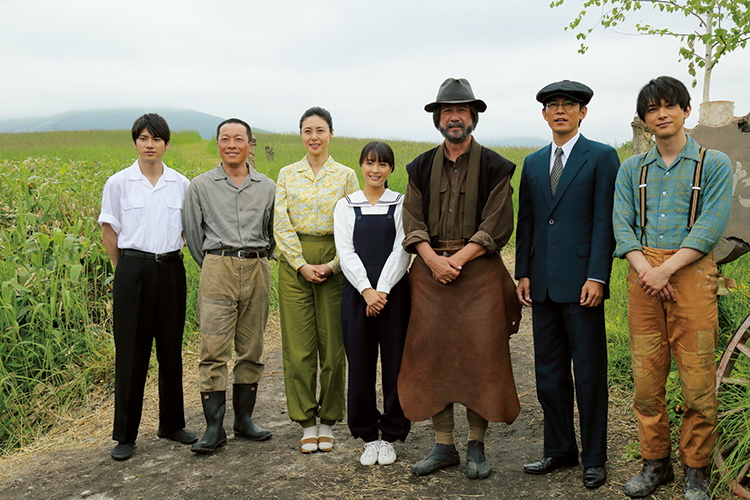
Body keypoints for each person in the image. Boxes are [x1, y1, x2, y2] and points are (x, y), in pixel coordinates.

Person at [613, 76, 732, 500]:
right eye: (651, 109)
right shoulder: (632, 169)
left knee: (697, 379)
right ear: (644, 120)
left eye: (669, 106)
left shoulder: (711, 164)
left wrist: (667, 270)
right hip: (642, 273)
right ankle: (654, 464)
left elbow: (710, 226)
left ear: (685, 111)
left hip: (693, 274)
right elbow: (622, 226)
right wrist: (648, 270)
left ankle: (696, 470)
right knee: (646, 380)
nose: (661, 114)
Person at [398, 78, 521, 479]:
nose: (455, 117)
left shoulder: (496, 166)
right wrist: (433, 260)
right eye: (448, 111)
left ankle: (476, 447)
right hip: (431, 275)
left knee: (480, 357)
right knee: (431, 357)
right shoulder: (418, 166)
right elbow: (412, 219)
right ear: (438, 119)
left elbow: (497, 223)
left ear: (473, 118)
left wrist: (458, 260)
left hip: (479, 273)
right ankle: (444, 445)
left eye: (462, 111)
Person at [515, 80, 620, 489]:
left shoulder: (602, 157)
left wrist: (597, 275)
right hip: (541, 284)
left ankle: (594, 457)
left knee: (589, 373)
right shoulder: (535, 161)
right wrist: (523, 271)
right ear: (544, 114)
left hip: (583, 285)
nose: (560, 110)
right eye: (553, 105)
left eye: (569, 105)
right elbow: (528, 221)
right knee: (549, 373)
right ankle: (559, 449)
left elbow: (603, 221)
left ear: (583, 113)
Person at [98, 113, 197, 461]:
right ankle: (125, 435)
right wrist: (124, 269)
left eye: (156, 139)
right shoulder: (119, 183)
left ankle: (171, 424)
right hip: (133, 270)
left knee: (171, 350)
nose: (150, 145)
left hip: (170, 270)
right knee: (132, 353)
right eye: (143, 138)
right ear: (135, 143)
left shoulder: (182, 184)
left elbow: (187, 231)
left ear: (166, 144)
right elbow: (109, 232)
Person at [182, 118, 276, 454]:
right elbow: (193, 235)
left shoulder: (267, 186)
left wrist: (259, 258)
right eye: (225, 138)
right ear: (217, 143)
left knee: (252, 347)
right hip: (217, 266)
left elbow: (273, 231)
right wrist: (214, 263)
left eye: (239, 139)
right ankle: (213, 428)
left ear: (251, 145)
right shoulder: (200, 186)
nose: (232, 144)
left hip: (257, 266)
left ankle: (244, 421)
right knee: (214, 349)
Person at [274, 107, 359, 453]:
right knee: (298, 348)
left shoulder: (346, 175)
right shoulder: (287, 174)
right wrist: (300, 263)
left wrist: (334, 265)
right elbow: (280, 223)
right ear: (301, 135)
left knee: (335, 348)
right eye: (307, 130)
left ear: (331, 134)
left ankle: (329, 418)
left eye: (320, 130)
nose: (314, 137)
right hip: (295, 264)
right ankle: (306, 421)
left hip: (335, 261)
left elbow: (354, 225)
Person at [333, 141, 411, 466]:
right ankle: (367, 436)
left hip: (394, 295)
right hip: (357, 296)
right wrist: (366, 290)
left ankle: (391, 435)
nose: (375, 170)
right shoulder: (346, 205)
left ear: (391, 169)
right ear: (361, 166)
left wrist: (382, 291)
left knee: (396, 365)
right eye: (369, 163)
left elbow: (403, 250)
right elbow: (345, 251)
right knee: (361, 364)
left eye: (382, 164)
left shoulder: (401, 203)